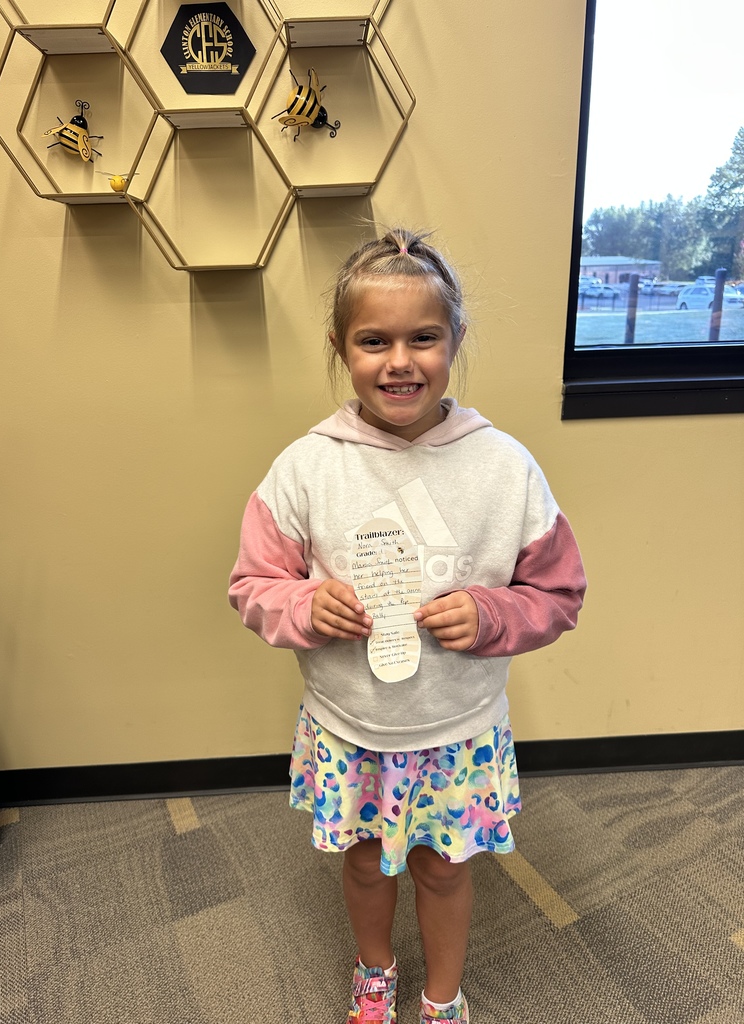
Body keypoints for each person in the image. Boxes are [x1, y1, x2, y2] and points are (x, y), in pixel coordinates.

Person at [229, 227, 586, 1024]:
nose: (400, 361)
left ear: (454, 339)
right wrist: (301, 605)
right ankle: (375, 973)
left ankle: (442, 997)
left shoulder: (506, 468)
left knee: (445, 870)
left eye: (424, 337)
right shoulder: (305, 467)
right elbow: (252, 584)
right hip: (351, 729)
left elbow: (559, 593)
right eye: (373, 340)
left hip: (456, 729)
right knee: (363, 867)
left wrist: (495, 612)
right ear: (340, 347)